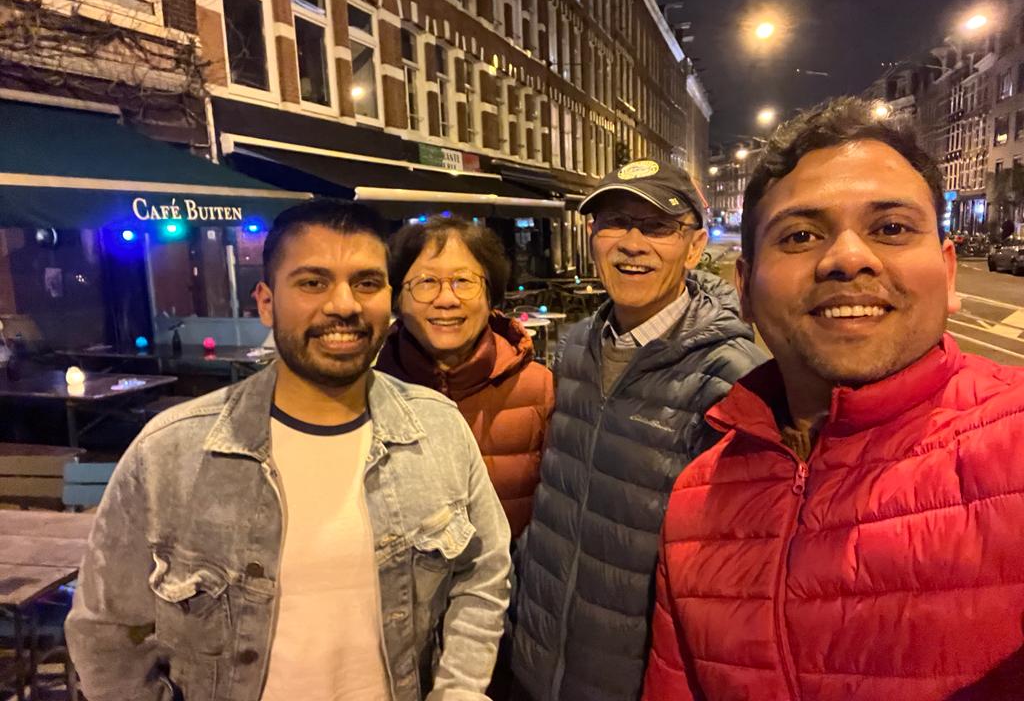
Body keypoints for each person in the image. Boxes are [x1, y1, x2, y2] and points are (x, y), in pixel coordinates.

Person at [643, 97, 1024, 701]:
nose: (849, 257)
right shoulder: (696, 502)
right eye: (799, 235)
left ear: (949, 274)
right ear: (744, 289)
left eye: (891, 228)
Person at [66, 199, 511, 701]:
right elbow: (106, 633)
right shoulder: (171, 452)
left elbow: (484, 572)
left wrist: (460, 690)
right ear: (265, 302)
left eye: (366, 282)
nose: (344, 304)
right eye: (312, 282)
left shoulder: (439, 429)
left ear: (388, 299)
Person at [511, 159, 767, 701]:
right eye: (615, 222)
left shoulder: (730, 374)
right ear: (593, 238)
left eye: (656, 227)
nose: (632, 243)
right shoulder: (577, 344)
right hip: (537, 656)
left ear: (694, 248)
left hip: (637, 680)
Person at [376, 215, 554, 540]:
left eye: (463, 281)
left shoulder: (539, 388)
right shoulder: (367, 393)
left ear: (490, 297)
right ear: (398, 299)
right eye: (426, 282)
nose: (447, 299)